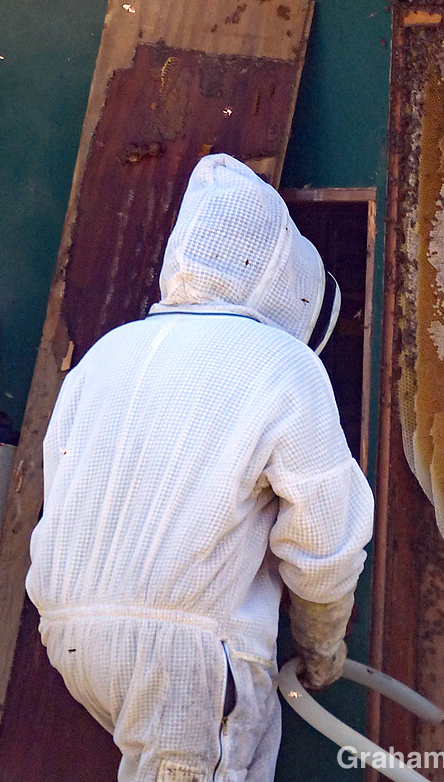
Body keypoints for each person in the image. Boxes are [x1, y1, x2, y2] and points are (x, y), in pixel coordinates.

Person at [26, 153, 374, 782]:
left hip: (70, 639)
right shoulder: (284, 364)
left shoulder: (107, 354)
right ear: (284, 280)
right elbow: (325, 546)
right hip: (185, 652)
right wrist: (323, 648)